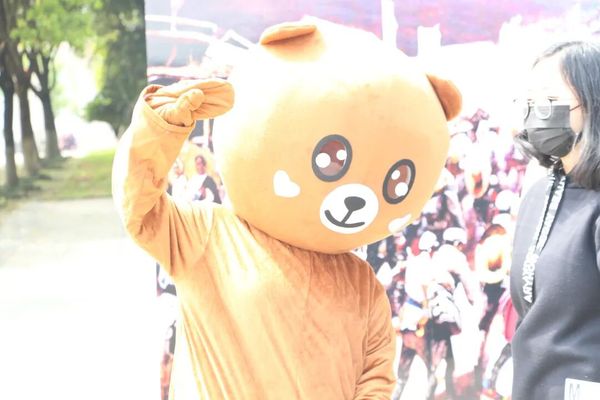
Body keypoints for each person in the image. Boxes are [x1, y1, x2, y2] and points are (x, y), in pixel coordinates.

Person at [510, 40, 600, 400]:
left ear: (591, 103)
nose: (537, 113)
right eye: (531, 102)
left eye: (549, 100)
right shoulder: (537, 195)